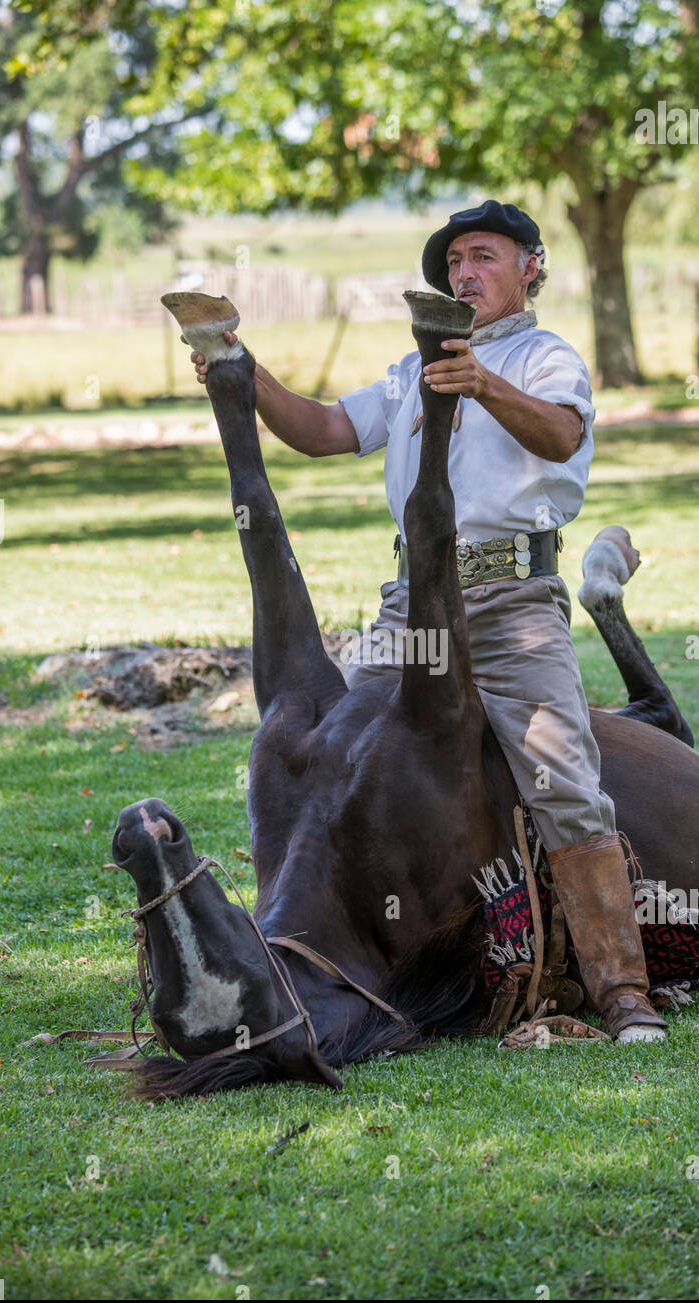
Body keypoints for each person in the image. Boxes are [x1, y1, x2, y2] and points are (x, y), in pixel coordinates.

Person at [186, 199, 666, 1044]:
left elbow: (560, 436)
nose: (465, 273)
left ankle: (623, 990)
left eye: (484, 257)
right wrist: (240, 368)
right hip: (410, 606)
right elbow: (328, 430)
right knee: (339, 754)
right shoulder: (410, 373)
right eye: (453, 265)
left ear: (531, 268)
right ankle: (322, 943)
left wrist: (480, 382)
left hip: (511, 602)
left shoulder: (548, 357)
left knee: (564, 781)